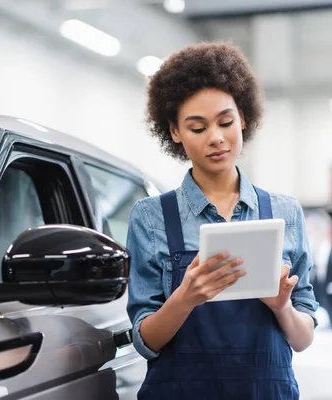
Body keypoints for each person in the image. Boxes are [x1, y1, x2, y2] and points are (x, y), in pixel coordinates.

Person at [126, 42, 318, 399]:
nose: (216, 137)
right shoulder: (150, 217)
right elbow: (145, 341)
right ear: (174, 132)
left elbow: (304, 339)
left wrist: (282, 307)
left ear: (243, 118)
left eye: (226, 122)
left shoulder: (285, 212)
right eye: (197, 128)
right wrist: (184, 298)